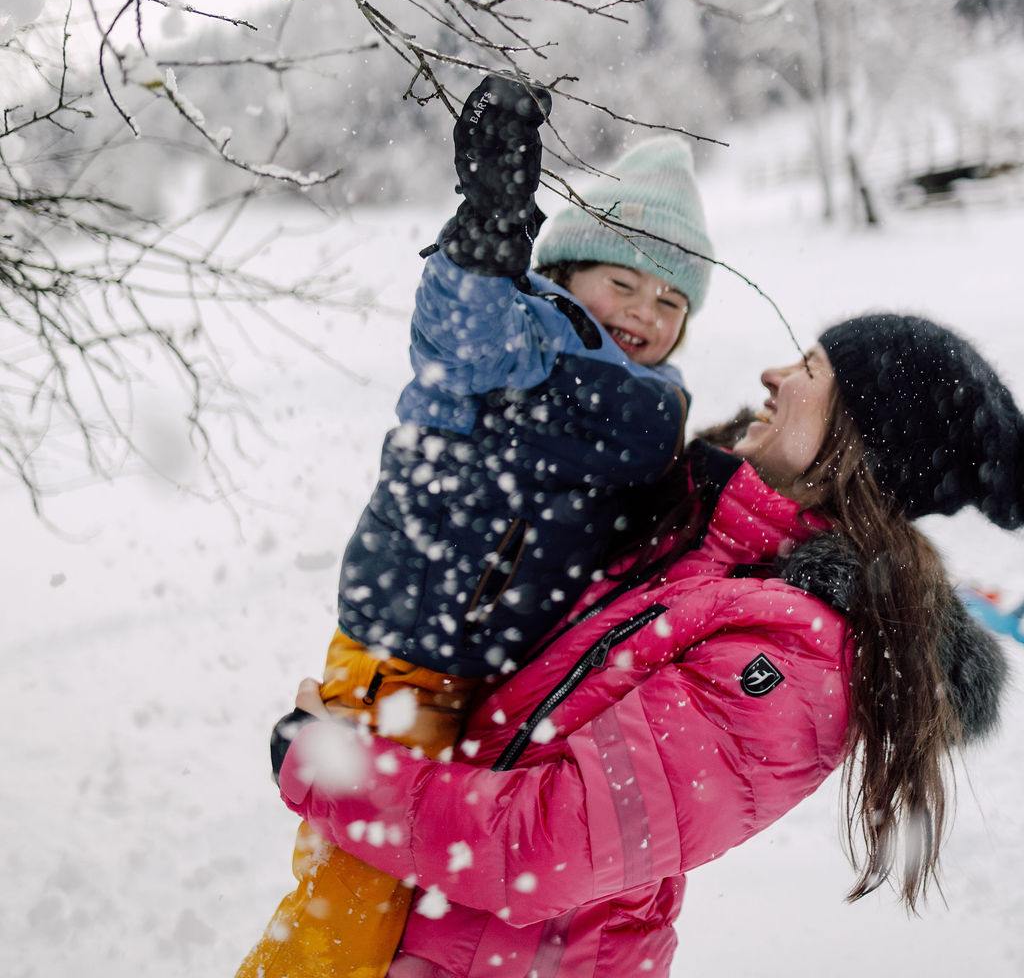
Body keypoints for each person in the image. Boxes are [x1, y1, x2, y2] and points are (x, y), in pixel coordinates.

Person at [270, 313, 1020, 978]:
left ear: (860, 441)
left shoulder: (802, 663)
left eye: (809, 369)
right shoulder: (705, 538)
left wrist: (333, 769)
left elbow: (545, 845)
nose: (774, 375)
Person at [236, 75, 715, 978]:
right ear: (569, 272)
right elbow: (458, 324)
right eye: (625, 283)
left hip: (507, 676)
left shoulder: (659, 406)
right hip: (409, 642)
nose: (646, 316)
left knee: (439, 891)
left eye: (671, 302)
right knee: (354, 894)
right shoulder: (521, 330)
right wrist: (489, 225)